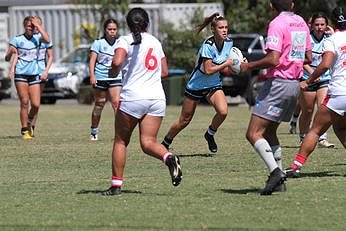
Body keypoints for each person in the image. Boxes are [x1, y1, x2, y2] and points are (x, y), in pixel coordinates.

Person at [102, 8, 182, 196]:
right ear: (147, 24)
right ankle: (168, 157)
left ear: (128, 24)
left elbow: (116, 62)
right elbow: (164, 71)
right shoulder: (155, 42)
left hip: (132, 98)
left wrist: (112, 74)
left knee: (121, 141)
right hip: (156, 98)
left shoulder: (124, 40)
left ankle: (116, 186)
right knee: (148, 142)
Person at [240, 0, 312, 195]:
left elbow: (274, 59)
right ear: (292, 4)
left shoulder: (277, 23)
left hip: (278, 84)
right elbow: (309, 57)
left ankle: (275, 173)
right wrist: (292, 59)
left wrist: (249, 66)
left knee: (253, 133)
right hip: (294, 85)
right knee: (270, 132)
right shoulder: (301, 22)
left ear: (272, 5)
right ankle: (279, 181)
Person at [285, 6, 346, 178]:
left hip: (339, 93)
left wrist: (308, 81)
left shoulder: (332, 40)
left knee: (315, 131)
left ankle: (296, 166)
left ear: (331, 22)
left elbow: (326, 64)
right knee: (341, 128)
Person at [161, 13, 233, 153]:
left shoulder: (229, 43)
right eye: (221, 28)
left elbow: (232, 61)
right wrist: (227, 64)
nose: (224, 30)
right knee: (184, 121)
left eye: (226, 27)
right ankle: (165, 143)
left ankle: (210, 134)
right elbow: (207, 70)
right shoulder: (208, 45)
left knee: (223, 112)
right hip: (196, 85)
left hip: (213, 84)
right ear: (213, 29)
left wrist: (241, 63)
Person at [5, 16, 50, 139]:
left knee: (35, 104)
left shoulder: (38, 38)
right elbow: (7, 58)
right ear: (24, 26)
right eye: (29, 26)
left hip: (34, 75)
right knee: (24, 102)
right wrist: (10, 52)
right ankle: (24, 130)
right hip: (21, 74)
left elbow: (47, 39)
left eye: (33, 26)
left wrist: (38, 26)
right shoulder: (17, 39)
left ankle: (29, 121)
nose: (31, 28)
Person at [295, 13, 335, 148]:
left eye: (322, 24)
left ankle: (322, 138)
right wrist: (313, 75)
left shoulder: (330, 39)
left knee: (322, 107)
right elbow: (301, 60)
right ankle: (303, 137)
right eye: (316, 25)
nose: (319, 27)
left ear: (326, 25)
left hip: (324, 79)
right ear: (311, 26)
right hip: (307, 79)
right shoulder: (306, 40)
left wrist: (333, 32)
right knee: (307, 110)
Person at [89, 18, 122, 141]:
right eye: (109, 29)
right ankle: (94, 130)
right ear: (105, 30)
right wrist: (92, 75)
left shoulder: (120, 43)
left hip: (115, 77)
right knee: (100, 103)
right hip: (100, 77)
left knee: (116, 104)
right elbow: (92, 61)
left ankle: (119, 133)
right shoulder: (98, 43)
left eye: (114, 29)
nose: (112, 31)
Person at [28, 16, 53, 137]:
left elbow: (51, 57)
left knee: (36, 103)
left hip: (41, 73)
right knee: (27, 101)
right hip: (28, 72)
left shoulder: (44, 38)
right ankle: (26, 124)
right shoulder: (28, 38)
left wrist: (46, 71)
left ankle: (31, 126)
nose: (34, 27)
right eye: (33, 24)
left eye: (37, 24)